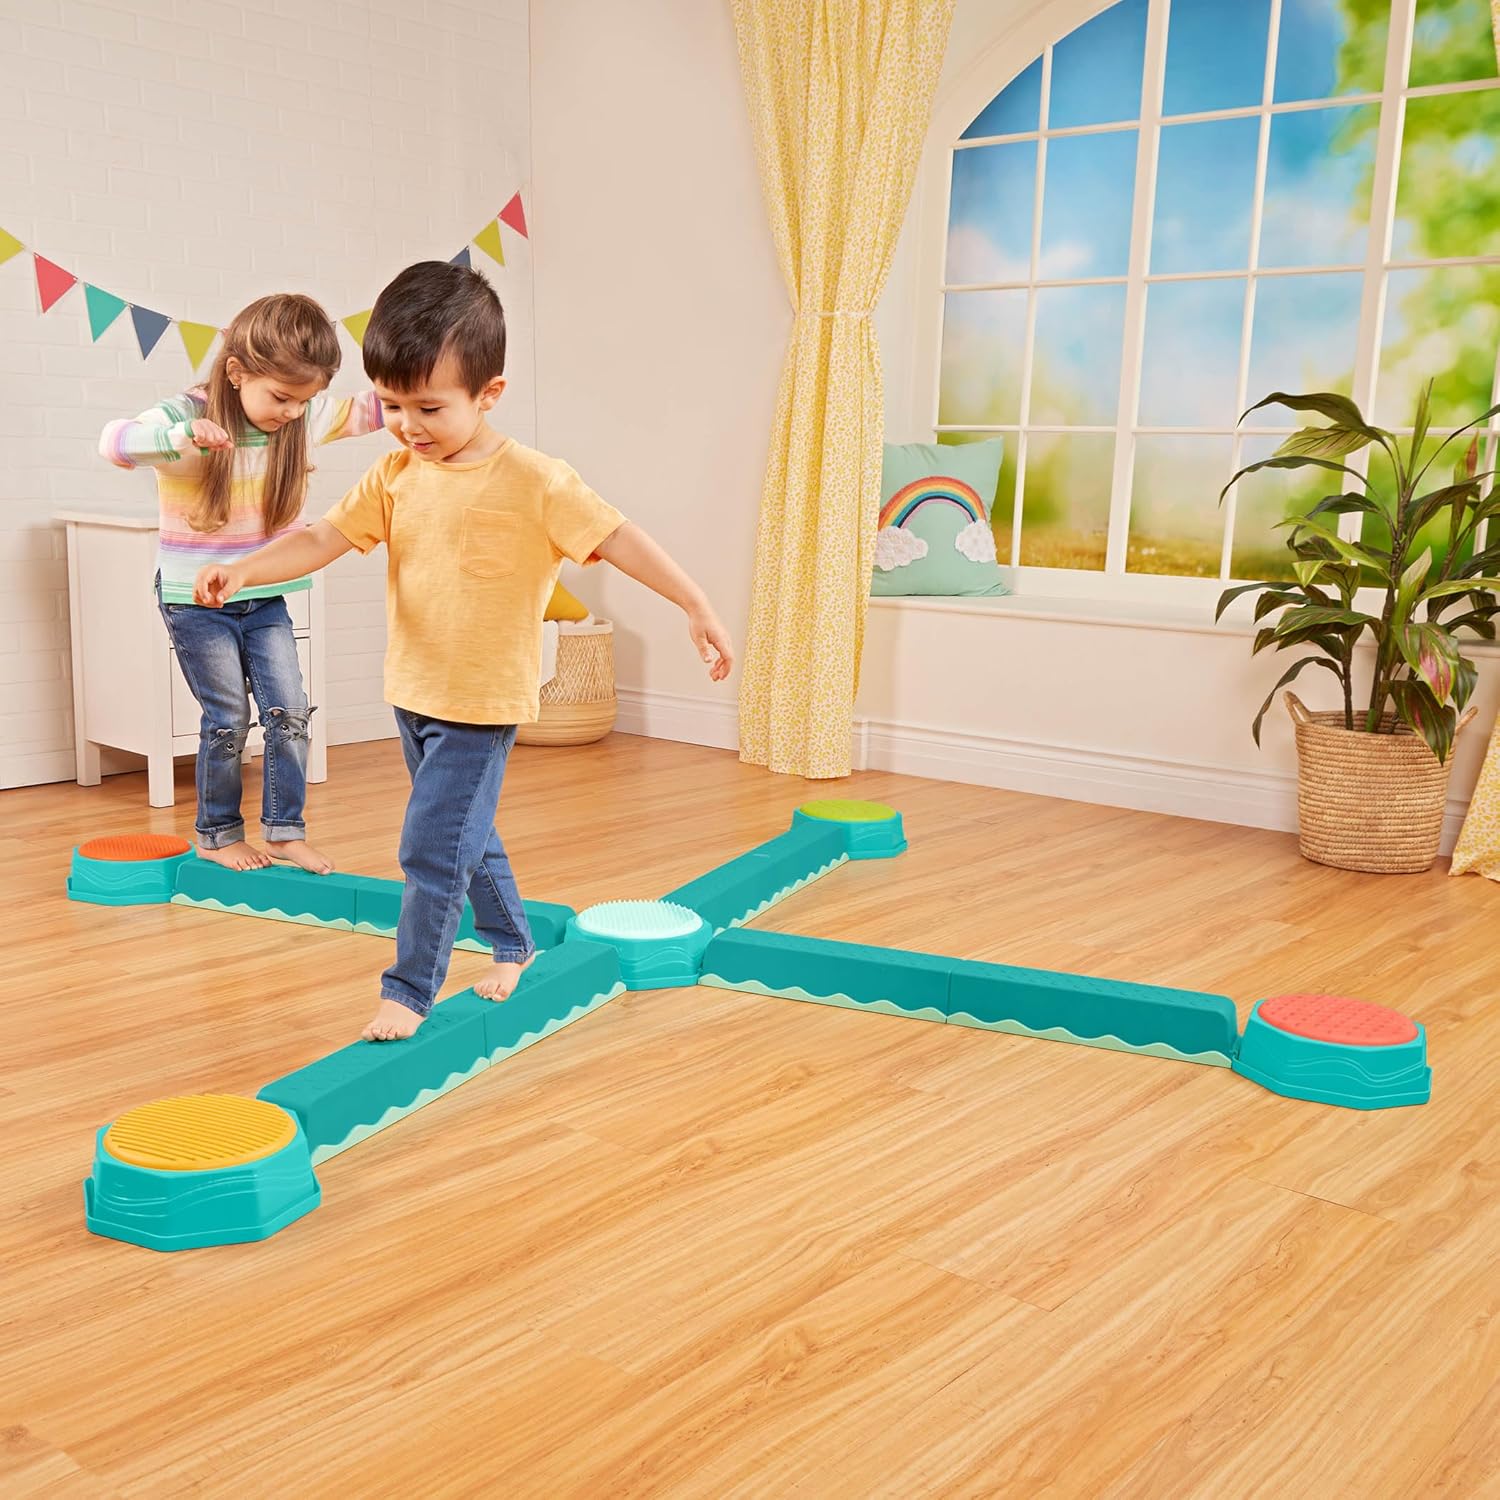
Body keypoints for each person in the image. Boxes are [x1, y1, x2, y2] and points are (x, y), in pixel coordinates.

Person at [193, 261, 733, 1041]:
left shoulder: (537, 481)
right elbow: (322, 538)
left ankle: (409, 991)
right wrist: (246, 568)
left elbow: (619, 538)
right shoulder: (394, 475)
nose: (408, 425)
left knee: (431, 846)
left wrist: (695, 603)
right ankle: (513, 943)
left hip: (481, 702)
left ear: (489, 394)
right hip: (413, 691)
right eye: (393, 405)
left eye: (429, 408)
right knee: (464, 835)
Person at [101, 293, 383, 874]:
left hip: (262, 595)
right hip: (195, 601)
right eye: (281, 397)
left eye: (303, 400)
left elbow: (373, 408)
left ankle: (283, 831)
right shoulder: (187, 413)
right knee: (228, 717)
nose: (292, 412)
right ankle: (217, 834)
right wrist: (180, 438)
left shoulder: (301, 417)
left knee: (291, 710)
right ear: (236, 371)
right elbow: (115, 441)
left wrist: (441, 382)